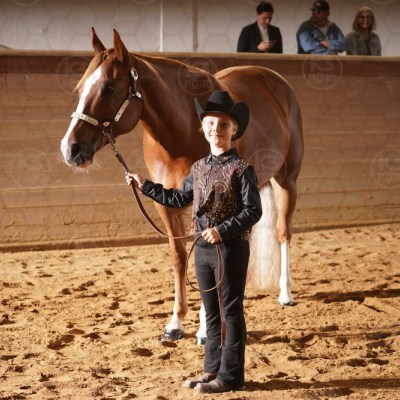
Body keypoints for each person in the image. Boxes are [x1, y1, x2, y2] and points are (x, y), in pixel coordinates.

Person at [125, 91, 262, 393]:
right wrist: (144, 185)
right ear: (203, 128)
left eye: (223, 124)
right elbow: (177, 198)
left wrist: (222, 230)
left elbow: (254, 211)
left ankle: (231, 377)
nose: (216, 129)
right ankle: (211, 371)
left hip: (230, 248)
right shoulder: (198, 168)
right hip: (202, 249)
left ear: (234, 130)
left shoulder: (242, 169)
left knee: (230, 312)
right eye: (210, 123)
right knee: (211, 313)